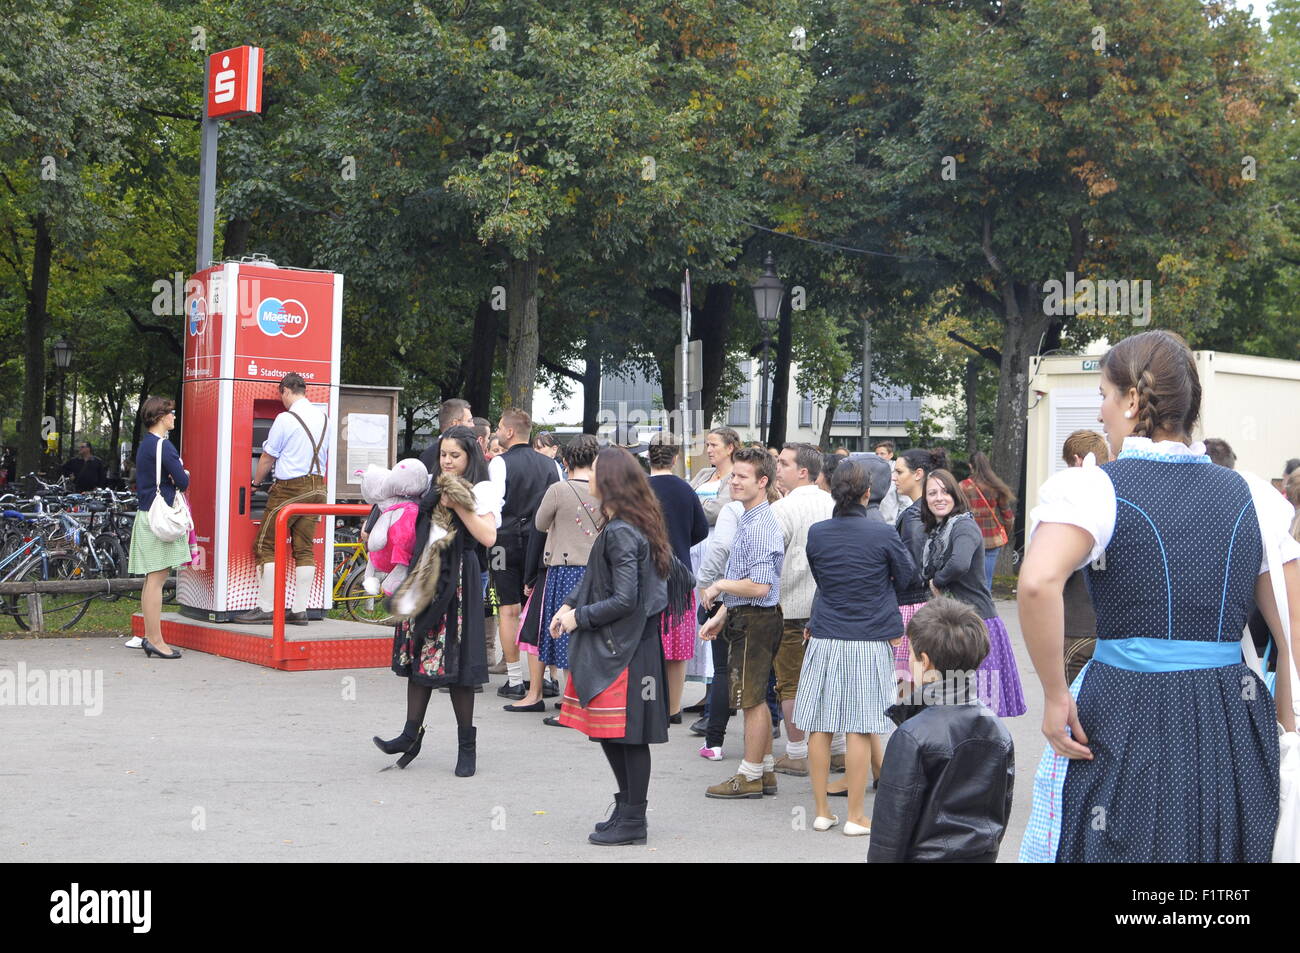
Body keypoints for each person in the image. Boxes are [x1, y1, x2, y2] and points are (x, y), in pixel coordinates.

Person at [1018, 329, 1300, 863]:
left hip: (1128, 707)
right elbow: (1295, 637)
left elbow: (1035, 582)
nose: (1100, 412)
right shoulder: (1255, 497)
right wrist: (1287, 734)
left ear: (1130, 399)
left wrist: (1056, 695)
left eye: (1103, 394)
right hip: (1229, 718)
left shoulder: (1098, 488)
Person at [552, 447, 683, 846]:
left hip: (626, 650)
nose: (588, 476)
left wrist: (580, 616)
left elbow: (626, 599)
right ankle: (627, 810)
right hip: (626, 646)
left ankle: (633, 820)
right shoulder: (626, 523)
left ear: (608, 480)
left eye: (593, 471)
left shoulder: (624, 529)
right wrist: (570, 603)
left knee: (628, 736)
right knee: (611, 734)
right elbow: (599, 578)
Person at [796, 459, 916, 835]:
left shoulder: (817, 533)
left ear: (833, 491)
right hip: (869, 636)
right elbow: (909, 575)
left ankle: (819, 812)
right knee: (861, 727)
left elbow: (820, 575)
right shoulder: (882, 533)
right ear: (867, 493)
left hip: (826, 633)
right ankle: (856, 816)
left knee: (820, 723)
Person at [374, 425, 502, 775]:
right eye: (443, 454)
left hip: (459, 576)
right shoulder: (431, 483)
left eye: (455, 455)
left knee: (458, 665)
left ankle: (466, 747)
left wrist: (458, 504)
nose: (447, 461)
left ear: (469, 456)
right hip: (425, 573)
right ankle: (409, 735)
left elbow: (488, 537)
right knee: (419, 651)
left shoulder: (483, 488)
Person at [867, 597, 1015, 862]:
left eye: (911, 653)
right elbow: (999, 812)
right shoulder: (998, 732)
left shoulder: (912, 735)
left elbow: (890, 830)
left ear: (924, 661)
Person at [699, 447, 785, 799]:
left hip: (757, 619)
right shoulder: (749, 517)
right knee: (755, 698)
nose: (733, 481)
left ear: (762, 482)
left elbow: (760, 586)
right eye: (733, 475)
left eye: (742, 476)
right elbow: (748, 581)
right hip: (749, 616)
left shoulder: (762, 525)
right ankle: (762, 772)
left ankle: (749, 775)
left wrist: (719, 586)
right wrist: (722, 613)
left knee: (751, 700)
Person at [504, 434, 602, 717]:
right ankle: (578, 697)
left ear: (566, 460)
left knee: (556, 631)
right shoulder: (605, 491)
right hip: (595, 571)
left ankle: (548, 697)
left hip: (562, 569)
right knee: (583, 633)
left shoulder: (558, 490)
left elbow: (540, 523)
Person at [919, 468, 1026, 717]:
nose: (939, 498)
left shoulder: (963, 525)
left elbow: (959, 563)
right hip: (954, 623)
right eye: (932, 493)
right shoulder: (939, 530)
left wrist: (937, 581)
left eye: (945, 492)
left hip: (976, 624)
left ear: (956, 495)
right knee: (958, 706)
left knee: (980, 708)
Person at [233, 373, 328, 625]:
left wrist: (255, 484)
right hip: (318, 487)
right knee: (304, 549)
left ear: (285, 390)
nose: (281, 401)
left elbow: (266, 457)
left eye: (281, 396)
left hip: (290, 489)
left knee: (265, 545)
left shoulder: (285, 418)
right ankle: (299, 610)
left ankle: (265, 608)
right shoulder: (323, 417)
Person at [769, 442, 834, 777]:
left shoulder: (783, 509)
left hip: (791, 607)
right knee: (826, 681)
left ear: (803, 471)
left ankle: (796, 752)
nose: (777, 468)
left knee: (790, 682)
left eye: (783, 463)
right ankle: (834, 749)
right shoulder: (834, 504)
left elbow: (770, 557)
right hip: (830, 609)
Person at [489, 408, 561, 699]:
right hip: (542, 542)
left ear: (509, 431)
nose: (495, 431)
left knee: (508, 609)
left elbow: (493, 509)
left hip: (504, 543)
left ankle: (515, 680)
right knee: (540, 611)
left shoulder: (499, 463)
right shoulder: (551, 466)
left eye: (498, 427)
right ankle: (544, 678)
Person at [647, 434, 709, 723]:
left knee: (648, 642)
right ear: (674, 458)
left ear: (649, 457)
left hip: (646, 573)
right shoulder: (686, 490)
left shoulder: (640, 490)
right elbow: (701, 531)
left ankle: (649, 704)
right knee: (677, 646)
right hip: (681, 574)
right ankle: (673, 709)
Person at [127, 397, 190, 659]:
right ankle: (155, 640)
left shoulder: (146, 445)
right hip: (160, 518)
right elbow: (183, 482)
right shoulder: (164, 446)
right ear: (160, 416)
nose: (174, 416)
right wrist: (183, 475)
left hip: (147, 515)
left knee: (150, 581)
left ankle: (150, 636)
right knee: (157, 580)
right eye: (171, 412)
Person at [889, 448, 944, 685]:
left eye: (900, 471)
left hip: (911, 604)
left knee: (909, 682)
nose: (894, 477)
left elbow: (914, 569)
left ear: (918, 474)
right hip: (921, 601)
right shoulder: (921, 510)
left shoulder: (914, 516)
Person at [1059, 430, 1109, 682]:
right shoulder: (1118, 497)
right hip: (1115, 634)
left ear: (1078, 461)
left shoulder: (1070, 502)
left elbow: (1052, 572)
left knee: (1074, 713)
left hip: (1077, 628)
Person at [960, 451, 1016, 592]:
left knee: (969, 581)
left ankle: (969, 611)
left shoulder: (962, 487)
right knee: (986, 581)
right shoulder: (996, 486)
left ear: (970, 466)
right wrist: (1005, 533)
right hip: (991, 540)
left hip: (969, 539)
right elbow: (1008, 517)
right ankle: (986, 611)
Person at [873, 440, 902, 523]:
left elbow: (905, 503)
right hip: (874, 524)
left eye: (882, 454)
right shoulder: (872, 473)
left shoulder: (898, 474)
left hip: (891, 525)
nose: (878, 456)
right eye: (877, 454)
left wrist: (897, 523)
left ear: (890, 455)